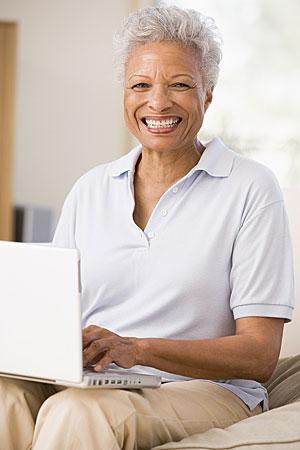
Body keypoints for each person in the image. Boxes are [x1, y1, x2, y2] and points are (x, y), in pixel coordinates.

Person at [0, 5, 295, 450]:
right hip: (97, 381)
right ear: (124, 94)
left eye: (180, 85)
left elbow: (259, 355)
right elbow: (51, 314)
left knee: (76, 412)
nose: (158, 102)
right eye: (141, 85)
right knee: (5, 397)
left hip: (204, 390)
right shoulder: (90, 188)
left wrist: (136, 350)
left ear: (207, 95)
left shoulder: (250, 187)